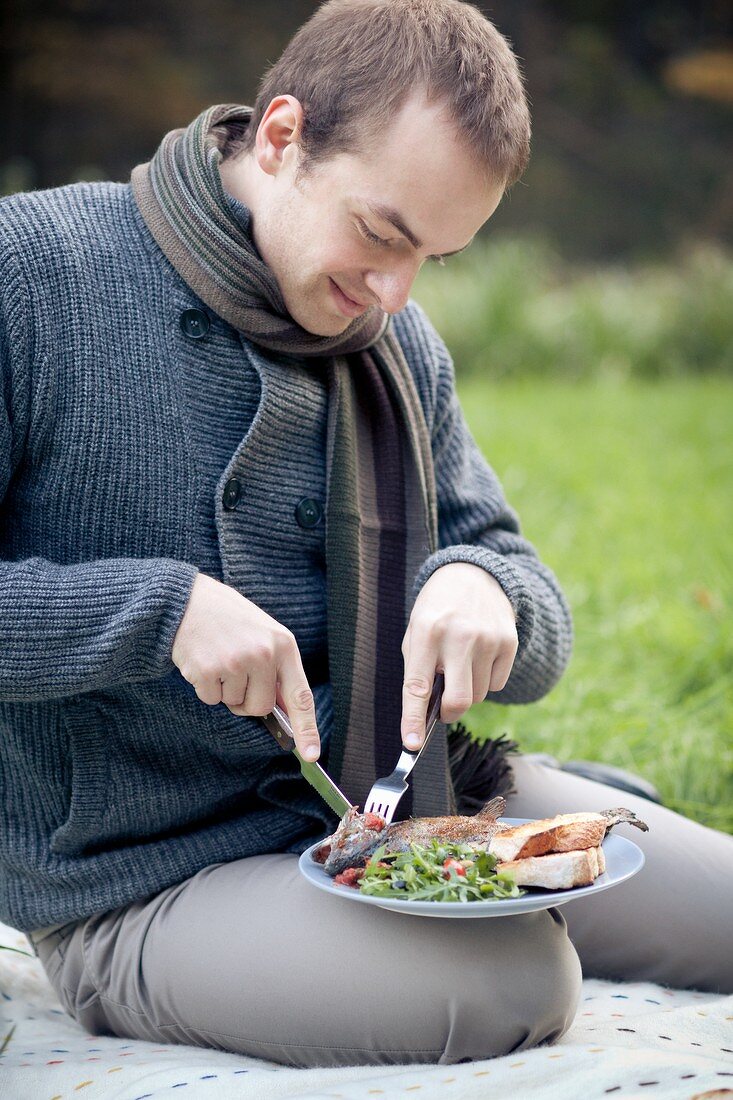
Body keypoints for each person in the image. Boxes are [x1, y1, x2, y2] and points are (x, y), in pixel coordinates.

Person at [0, 0, 729, 1072]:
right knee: (508, 984)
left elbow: (531, 603)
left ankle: (490, 863)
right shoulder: (34, 273)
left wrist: (482, 584)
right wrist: (159, 613)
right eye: (384, 233)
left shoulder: (395, 341)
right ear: (284, 135)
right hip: (146, 877)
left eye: (436, 255)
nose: (392, 293)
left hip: (409, 800)